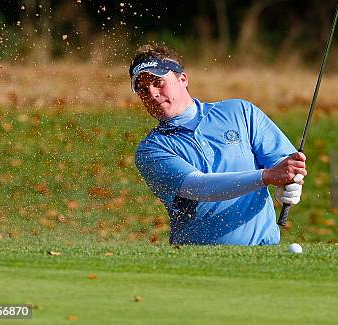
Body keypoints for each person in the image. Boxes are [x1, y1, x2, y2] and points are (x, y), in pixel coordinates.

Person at [130, 44, 306, 245]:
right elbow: (198, 187)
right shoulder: (151, 149)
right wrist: (267, 176)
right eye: (143, 90)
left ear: (183, 79)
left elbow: (285, 162)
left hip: (263, 254)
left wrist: (290, 181)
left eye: (158, 82)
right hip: (197, 261)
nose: (152, 94)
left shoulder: (239, 112)